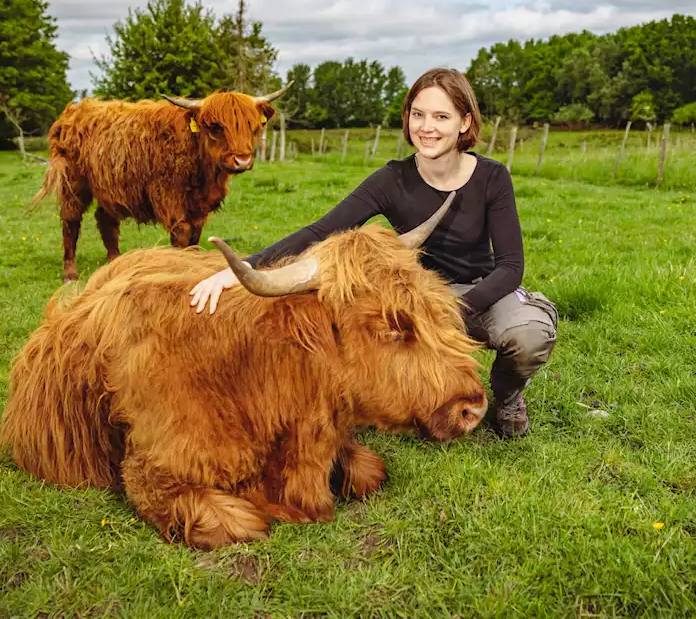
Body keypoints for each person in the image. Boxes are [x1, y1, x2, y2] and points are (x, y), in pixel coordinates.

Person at [188, 68, 558, 438]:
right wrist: (242, 268)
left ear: (465, 122)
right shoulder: (391, 179)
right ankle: (412, 393)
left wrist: (448, 310)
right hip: (410, 295)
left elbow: (510, 266)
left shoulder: (491, 177)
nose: (427, 127)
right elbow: (320, 230)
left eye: (441, 116)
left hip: (478, 292)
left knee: (530, 335)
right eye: (418, 114)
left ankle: (508, 396)